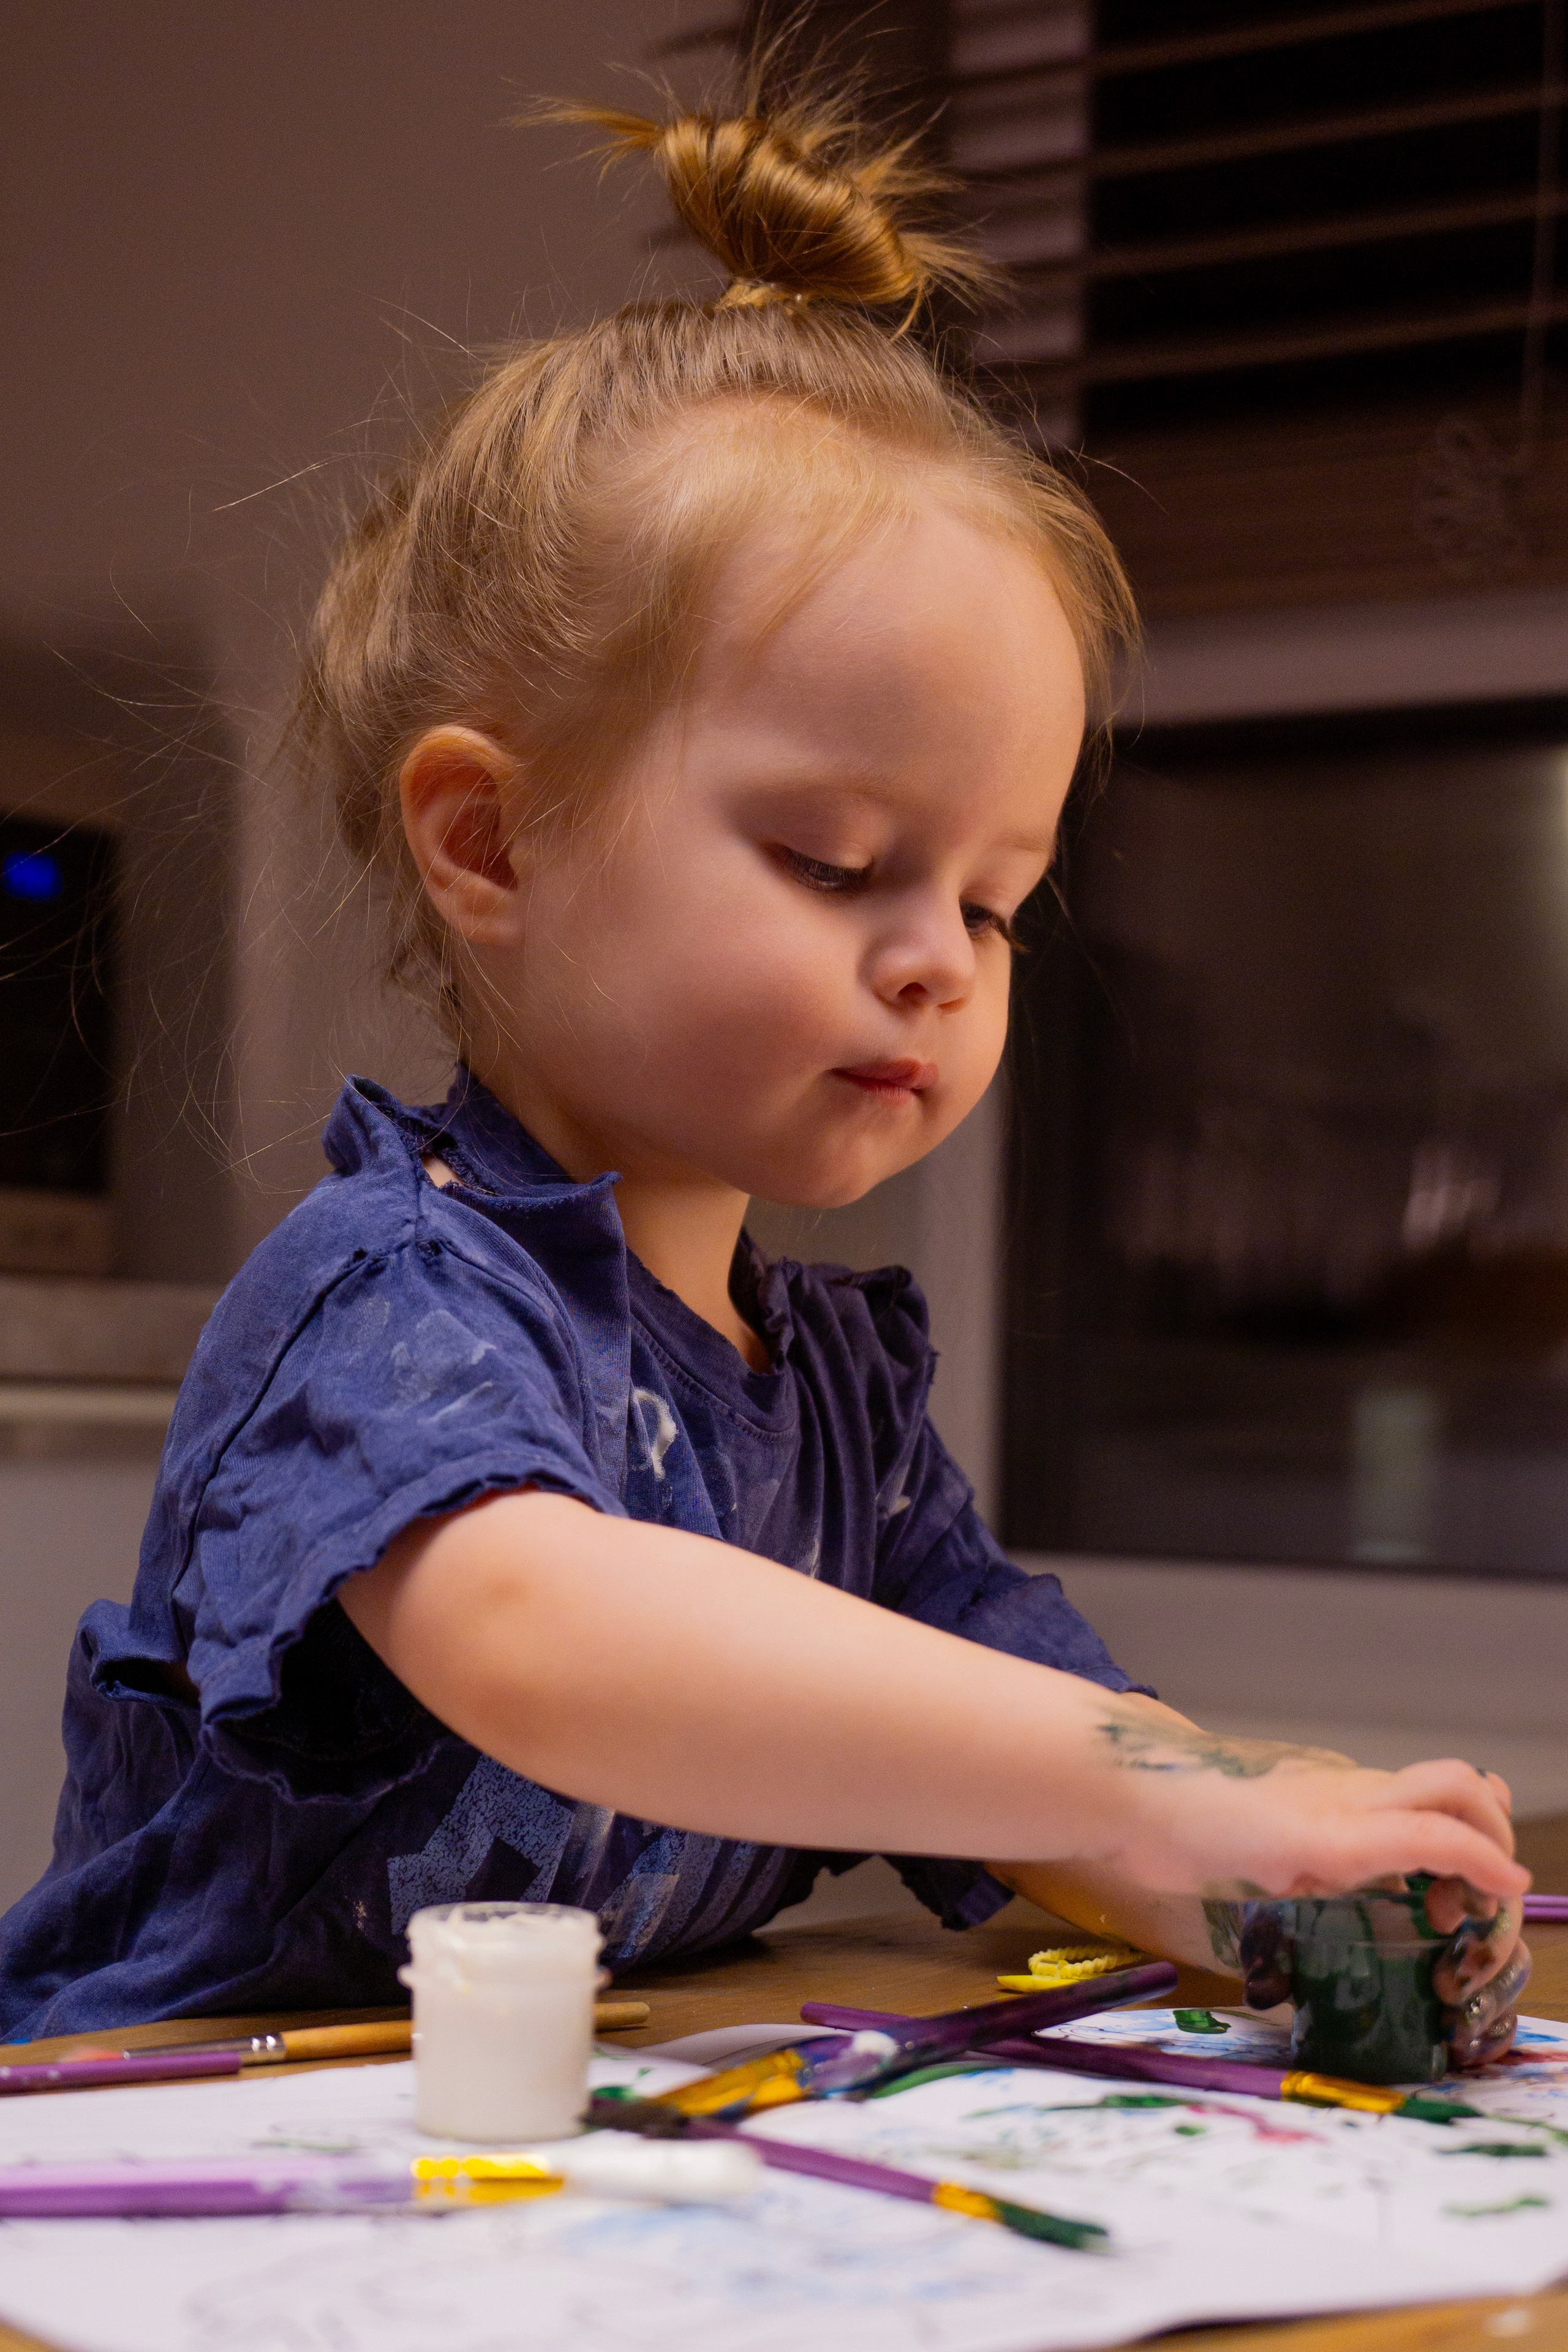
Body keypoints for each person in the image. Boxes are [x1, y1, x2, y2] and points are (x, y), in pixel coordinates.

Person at [0, 73, 1529, 2054]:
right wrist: (1166, 1783)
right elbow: (549, 1633)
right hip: (151, 2158)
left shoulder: (833, 1406)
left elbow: (1012, 1746)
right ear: (492, 841)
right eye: (836, 863)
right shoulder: (386, 1295)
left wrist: (1278, 1873)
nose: (936, 964)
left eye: (994, 905)